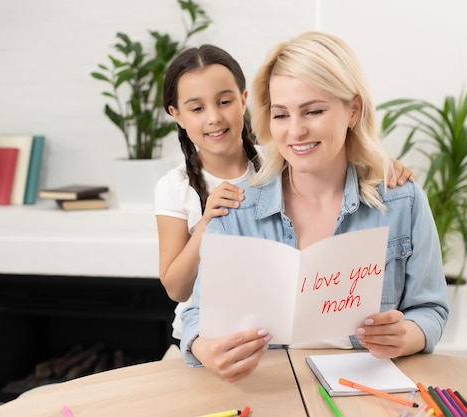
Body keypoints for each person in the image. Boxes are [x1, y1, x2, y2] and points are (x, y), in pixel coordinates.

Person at [179, 32, 448, 382]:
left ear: (353, 110)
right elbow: (196, 315)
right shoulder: (235, 208)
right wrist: (206, 350)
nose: (296, 131)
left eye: (314, 111)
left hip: (364, 393)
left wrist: (405, 336)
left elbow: (430, 310)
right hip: (266, 392)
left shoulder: (402, 201)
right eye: (281, 115)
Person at [155, 44, 416, 341]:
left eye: (224, 101)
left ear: (244, 101)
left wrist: (379, 165)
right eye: (197, 108)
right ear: (176, 114)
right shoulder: (174, 187)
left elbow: (331, 164)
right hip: (205, 335)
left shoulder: (282, 161)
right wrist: (206, 223)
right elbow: (177, 290)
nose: (214, 118)